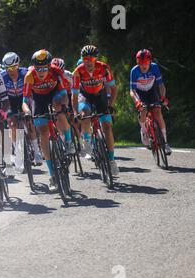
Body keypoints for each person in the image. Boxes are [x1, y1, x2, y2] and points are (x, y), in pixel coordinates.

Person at [22, 50, 72, 191]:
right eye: (38, 68)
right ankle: (52, 175)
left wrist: (65, 106)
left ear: (49, 66)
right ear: (34, 68)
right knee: (43, 132)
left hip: (55, 94)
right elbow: (25, 100)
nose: (41, 71)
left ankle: (68, 142)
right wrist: (27, 112)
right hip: (39, 100)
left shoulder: (56, 71)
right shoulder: (29, 76)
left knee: (59, 108)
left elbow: (63, 92)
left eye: (44, 68)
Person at [72, 45, 119, 175]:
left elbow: (113, 88)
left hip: (100, 95)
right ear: (82, 59)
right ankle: (86, 140)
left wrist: (110, 104)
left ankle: (111, 160)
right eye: (85, 58)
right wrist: (76, 113)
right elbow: (74, 96)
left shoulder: (104, 68)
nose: (88, 61)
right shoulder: (78, 71)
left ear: (95, 59)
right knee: (85, 114)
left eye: (91, 58)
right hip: (84, 96)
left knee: (107, 126)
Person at [1, 52, 43, 167]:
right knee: (12, 124)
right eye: (8, 68)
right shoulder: (2, 77)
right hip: (10, 101)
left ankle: (37, 152)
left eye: (14, 67)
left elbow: (34, 88)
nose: (11, 70)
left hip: (24, 99)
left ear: (18, 65)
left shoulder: (25, 73)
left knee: (29, 121)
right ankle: (18, 153)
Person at [130, 49, 172, 155]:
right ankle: (144, 130)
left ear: (149, 62)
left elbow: (161, 85)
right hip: (140, 93)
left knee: (158, 112)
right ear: (137, 62)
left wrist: (163, 97)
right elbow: (132, 90)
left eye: (146, 63)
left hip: (151, 90)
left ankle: (165, 142)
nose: (143, 66)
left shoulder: (154, 67)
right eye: (141, 63)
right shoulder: (134, 71)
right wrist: (137, 102)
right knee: (143, 110)